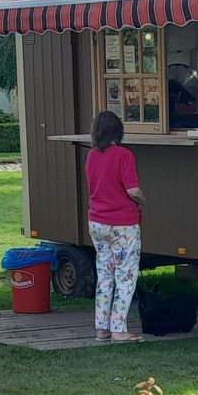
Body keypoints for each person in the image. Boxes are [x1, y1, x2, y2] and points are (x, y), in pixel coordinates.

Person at [86, 110, 146, 342]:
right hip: (122, 224)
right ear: (117, 132)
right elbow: (133, 190)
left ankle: (102, 328)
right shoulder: (124, 155)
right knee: (125, 275)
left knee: (105, 274)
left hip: (97, 222)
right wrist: (142, 200)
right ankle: (119, 329)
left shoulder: (91, 156)